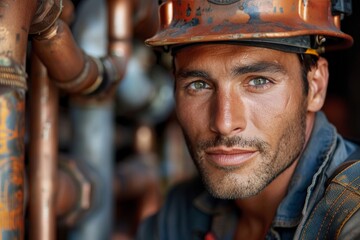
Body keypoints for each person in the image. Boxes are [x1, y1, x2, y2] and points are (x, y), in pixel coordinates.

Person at [137, 0, 360, 239]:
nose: (224, 123)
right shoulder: (181, 212)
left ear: (315, 87)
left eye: (258, 81)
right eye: (198, 85)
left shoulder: (350, 215)